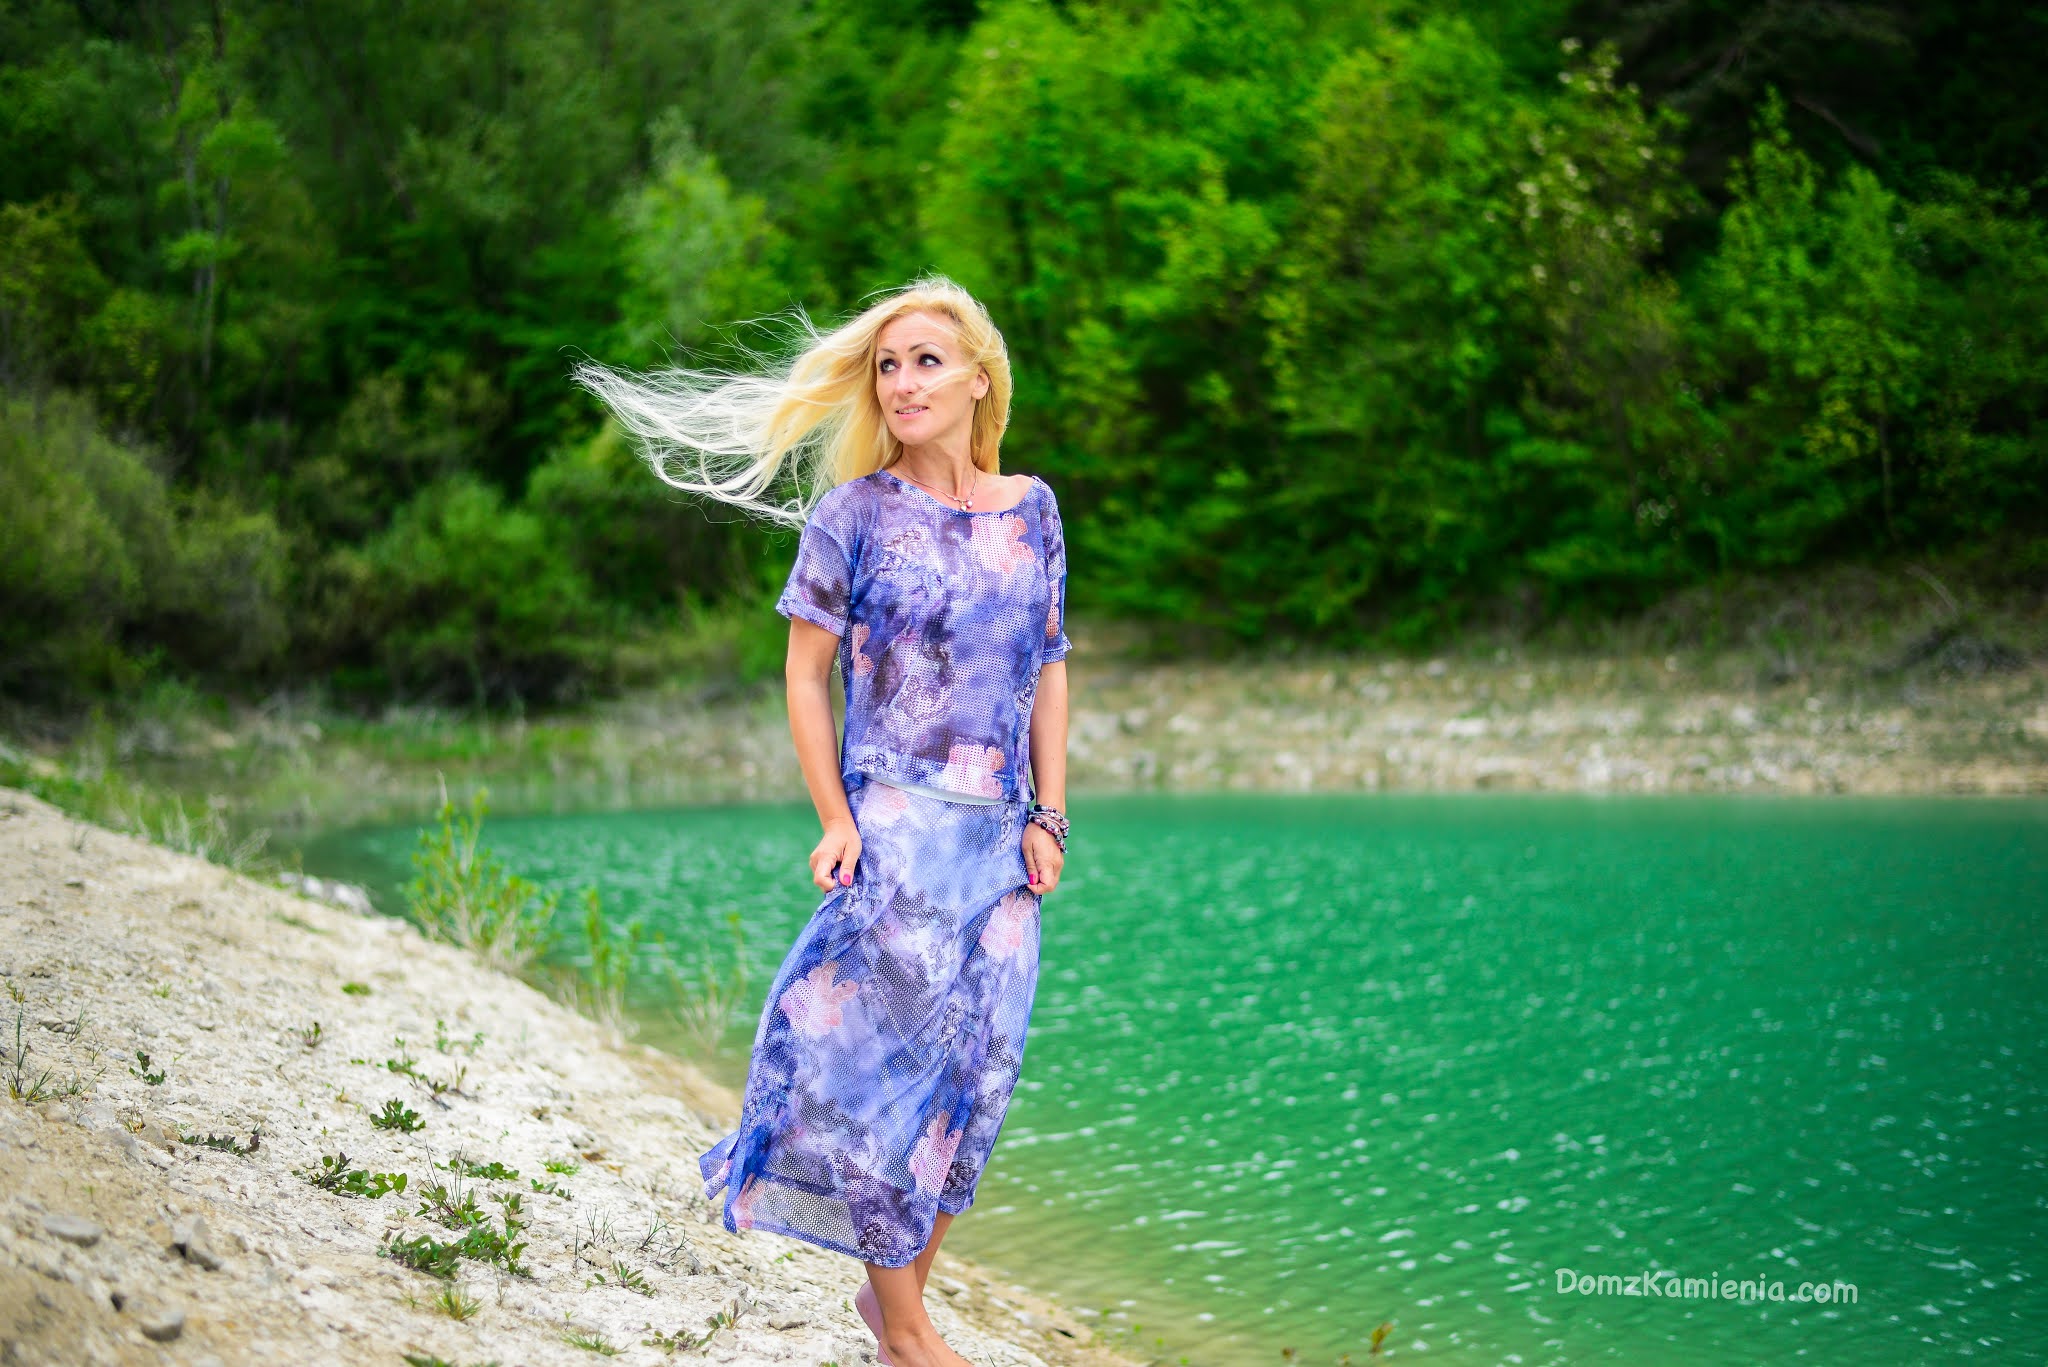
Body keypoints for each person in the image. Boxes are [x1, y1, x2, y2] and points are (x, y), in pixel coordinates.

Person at [571, 275, 1072, 1367]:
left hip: (998, 842)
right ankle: (905, 1330)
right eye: (887, 364)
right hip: (894, 827)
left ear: (978, 378)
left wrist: (1052, 816)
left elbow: (1046, 665)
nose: (902, 381)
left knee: (978, 1074)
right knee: (873, 1068)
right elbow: (805, 679)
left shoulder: (1031, 507)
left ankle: (891, 1304)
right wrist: (837, 818)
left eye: (926, 360)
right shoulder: (851, 515)